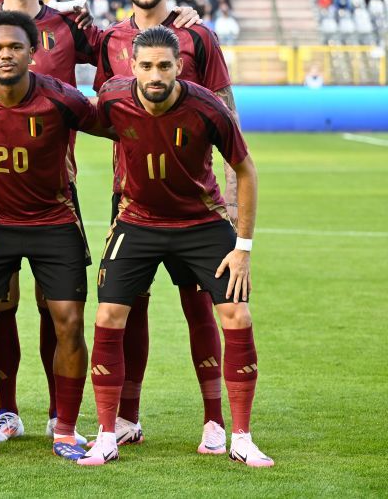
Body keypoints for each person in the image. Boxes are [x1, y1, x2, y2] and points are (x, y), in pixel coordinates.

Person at [0, 0, 195, 445]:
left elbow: (129, 43)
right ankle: (3, 412)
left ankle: (59, 416)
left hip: (55, 192)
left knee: (60, 310)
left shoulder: (73, 27)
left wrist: (175, 16)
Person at [79, 25, 272, 468]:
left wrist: (242, 246)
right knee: (109, 314)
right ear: (132, 66)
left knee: (236, 314)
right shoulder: (113, 97)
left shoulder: (208, 107)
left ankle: (240, 436)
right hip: (137, 221)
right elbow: (76, 114)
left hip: (201, 223)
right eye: (145, 65)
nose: (154, 74)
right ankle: (108, 434)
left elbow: (245, 170)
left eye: (164, 65)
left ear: (179, 67)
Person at [0, 10, 112, 461]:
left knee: (69, 324)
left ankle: (66, 431)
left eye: (15, 47)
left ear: (33, 52)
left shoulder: (62, 98)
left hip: (54, 223)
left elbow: (116, 126)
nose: (6, 55)